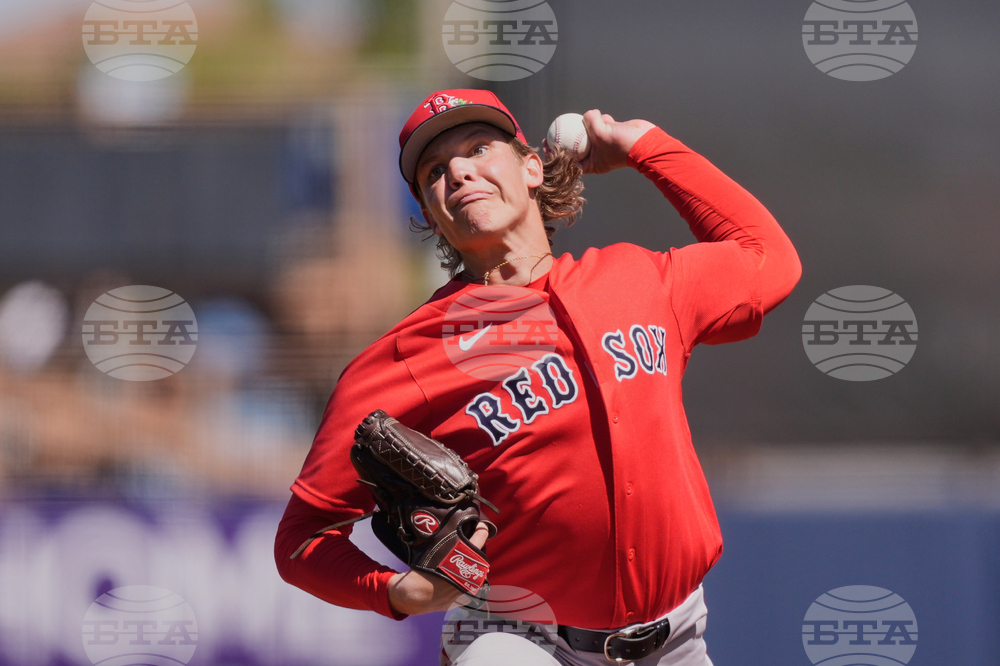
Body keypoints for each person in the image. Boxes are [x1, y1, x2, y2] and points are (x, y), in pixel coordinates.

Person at [274, 89, 801, 665]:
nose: (460, 172)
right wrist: (399, 592)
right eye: (435, 171)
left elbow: (768, 260)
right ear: (430, 214)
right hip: (517, 641)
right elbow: (302, 537)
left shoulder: (642, 280)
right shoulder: (407, 355)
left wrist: (647, 146)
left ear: (532, 168)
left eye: (479, 148)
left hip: (674, 642)